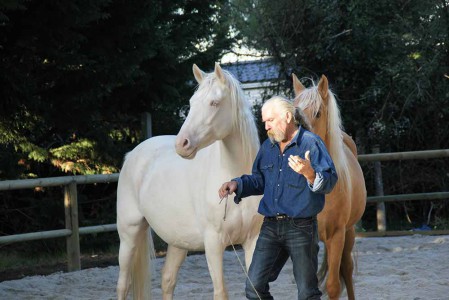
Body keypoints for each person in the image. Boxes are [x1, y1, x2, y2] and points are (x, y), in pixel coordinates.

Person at [218, 96, 338, 300]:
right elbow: (259, 180)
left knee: (308, 293)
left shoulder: (311, 143)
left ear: (288, 117)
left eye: (270, 120)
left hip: (302, 228)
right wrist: (238, 184)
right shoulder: (268, 147)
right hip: (270, 228)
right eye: (264, 122)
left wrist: (310, 174)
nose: (266, 126)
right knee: (254, 288)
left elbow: (330, 180)